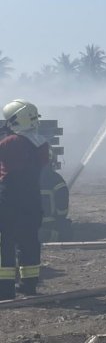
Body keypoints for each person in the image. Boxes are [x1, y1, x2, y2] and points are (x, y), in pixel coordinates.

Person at [0, 99, 50, 300]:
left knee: (5, 242)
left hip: (9, 198)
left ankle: (4, 289)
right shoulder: (41, 143)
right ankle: (29, 285)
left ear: (15, 119)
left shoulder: (10, 142)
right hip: (32, 199)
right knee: (29, 241)